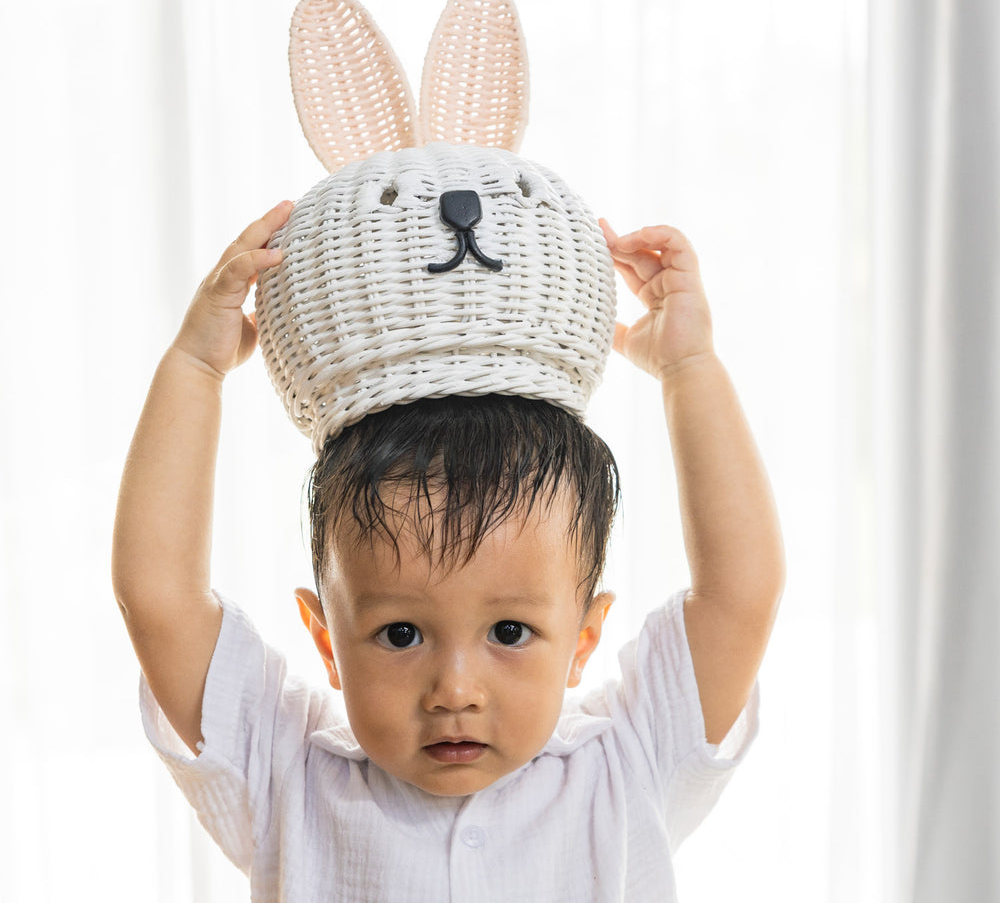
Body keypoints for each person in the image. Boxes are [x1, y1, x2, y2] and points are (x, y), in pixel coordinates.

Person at [112, 199, 784, 901]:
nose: (455, 691)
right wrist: (195, 368)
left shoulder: (627, 763)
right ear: (326, 638)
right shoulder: (288, 771)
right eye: (400, 633)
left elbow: (741, 596)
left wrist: (691, 369)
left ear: (583, 639)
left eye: (510, 631)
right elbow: (159, 599)